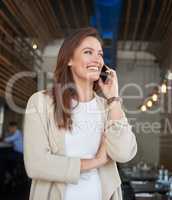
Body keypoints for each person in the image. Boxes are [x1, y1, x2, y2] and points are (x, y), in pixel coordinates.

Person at [23, 27, 137, 200]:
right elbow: (36, 164)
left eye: (99, 54)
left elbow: (123, 154)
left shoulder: (108, 107)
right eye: (88, 52)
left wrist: (114, 98)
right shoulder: (41, 102)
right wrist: (96, 162)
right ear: (69, 59)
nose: (97, 59)